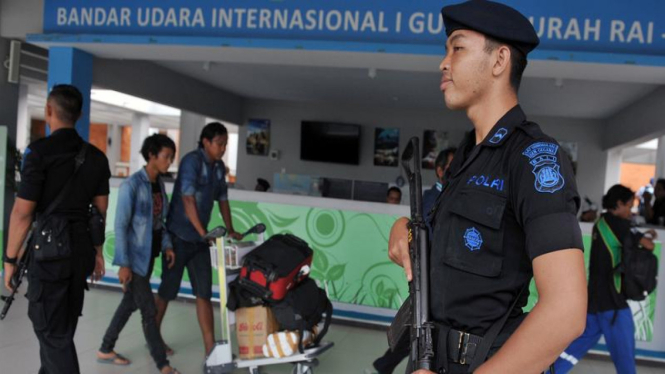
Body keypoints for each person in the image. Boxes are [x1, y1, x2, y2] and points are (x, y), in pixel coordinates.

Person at [389, 2, 587, 373]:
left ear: (499, 61)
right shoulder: (467, 157)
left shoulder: (533, 158)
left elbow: (567, 310)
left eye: (457, 47)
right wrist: (402, 229)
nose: (443, 63)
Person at [3, 84, 111, 374]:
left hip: (50, 253)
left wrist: (9, 261)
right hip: (80, 252)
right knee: (60, 330)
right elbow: (100, 212)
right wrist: (97, 251)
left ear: (49, 110)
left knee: (52, 334)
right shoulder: (97, 157)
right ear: (79, 114)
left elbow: (22, 213)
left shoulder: (39, 153)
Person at [155, 122, 243, 355]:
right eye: (219, 143)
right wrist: (203, 232)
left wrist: (230, 228)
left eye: (225, 144)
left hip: (200, 242)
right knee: (167, 291)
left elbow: (222, 199)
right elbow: (187, 200)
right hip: (178, 238)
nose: (223, 148)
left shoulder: (218, 168)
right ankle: (154, 340)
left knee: (204, 292)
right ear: (206, 141)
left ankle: (210, 348)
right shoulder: (191, 162)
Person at [367, 148, 457, 374]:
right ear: (439, 171)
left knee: (416, 337)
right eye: (452, 167)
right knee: (418, 337)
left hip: (436, 282)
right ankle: (382, 366)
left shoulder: (445, 197)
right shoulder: (433, 199)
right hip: (429, 280)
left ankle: (382, 366)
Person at [96, 134, 180, 374]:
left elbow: (158, 222)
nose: (169, 162)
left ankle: (105, 348)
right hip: (133, 261)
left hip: (148, 257)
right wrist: (123, 264)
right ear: (151, 155)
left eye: (171, 157)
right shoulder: (131, 186)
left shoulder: (159, 185)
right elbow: (120, 226)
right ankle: (163, 365)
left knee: (129, 303)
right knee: (149, 311)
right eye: (166, 156)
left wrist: (167, 245)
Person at [553, 185, 657, 374]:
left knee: (572, 352)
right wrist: (647, 235)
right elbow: (648, 246)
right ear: (619, 204)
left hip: (594, 300)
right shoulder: (619, 225)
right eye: (629, 205)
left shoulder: (601, 222)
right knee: (625, 357)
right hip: (613, 303)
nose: (630, 210)